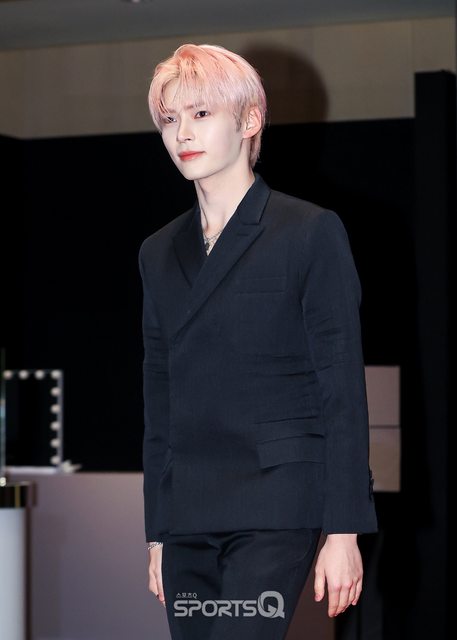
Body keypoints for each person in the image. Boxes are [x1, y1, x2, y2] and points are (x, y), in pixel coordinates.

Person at [139, 43, 377, 640]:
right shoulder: (158, 252)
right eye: (169, 118)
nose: (181, 134)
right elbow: (160, 396)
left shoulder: (308, 232)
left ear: (249, 120)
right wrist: (157, 531)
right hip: (189, 510)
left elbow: (341, 388)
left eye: (201, 114)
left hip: (277, 502)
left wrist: (344, 529)